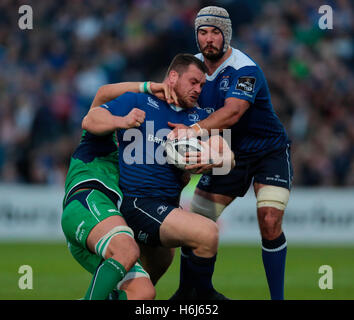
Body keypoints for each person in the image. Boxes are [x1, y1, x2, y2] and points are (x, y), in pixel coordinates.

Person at [82, 53, 235, 300]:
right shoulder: (139, 102)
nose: (198, 89)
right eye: (194, 82)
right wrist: (122, 121)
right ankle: (199, 297)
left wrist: (217, 160)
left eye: (202, 85)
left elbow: (227, 154)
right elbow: (91, 118)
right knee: (207, 233)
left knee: (140, 292)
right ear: (173, 76)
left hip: (164, 208)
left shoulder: (197, 119)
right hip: (137, 202)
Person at [168, 6, 293, 300]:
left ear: (226, 36)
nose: (208, 39)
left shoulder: (245, 69)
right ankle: (189, 294)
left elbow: (233, 113)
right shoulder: (191, 68)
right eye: (202, 32)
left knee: (270, 220)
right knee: (195, 225)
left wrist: (194, 130)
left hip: (267, 151)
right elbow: (171, 96)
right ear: (196, 36)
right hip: (225, 153)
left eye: (215, 32)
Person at [61, 80, 176, 300]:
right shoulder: (104, 125)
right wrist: (147, 87)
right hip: (88, 200)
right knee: (127, 250)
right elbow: (100, 98)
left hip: (105, 225)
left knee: (143, 293)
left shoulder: (145, 151)